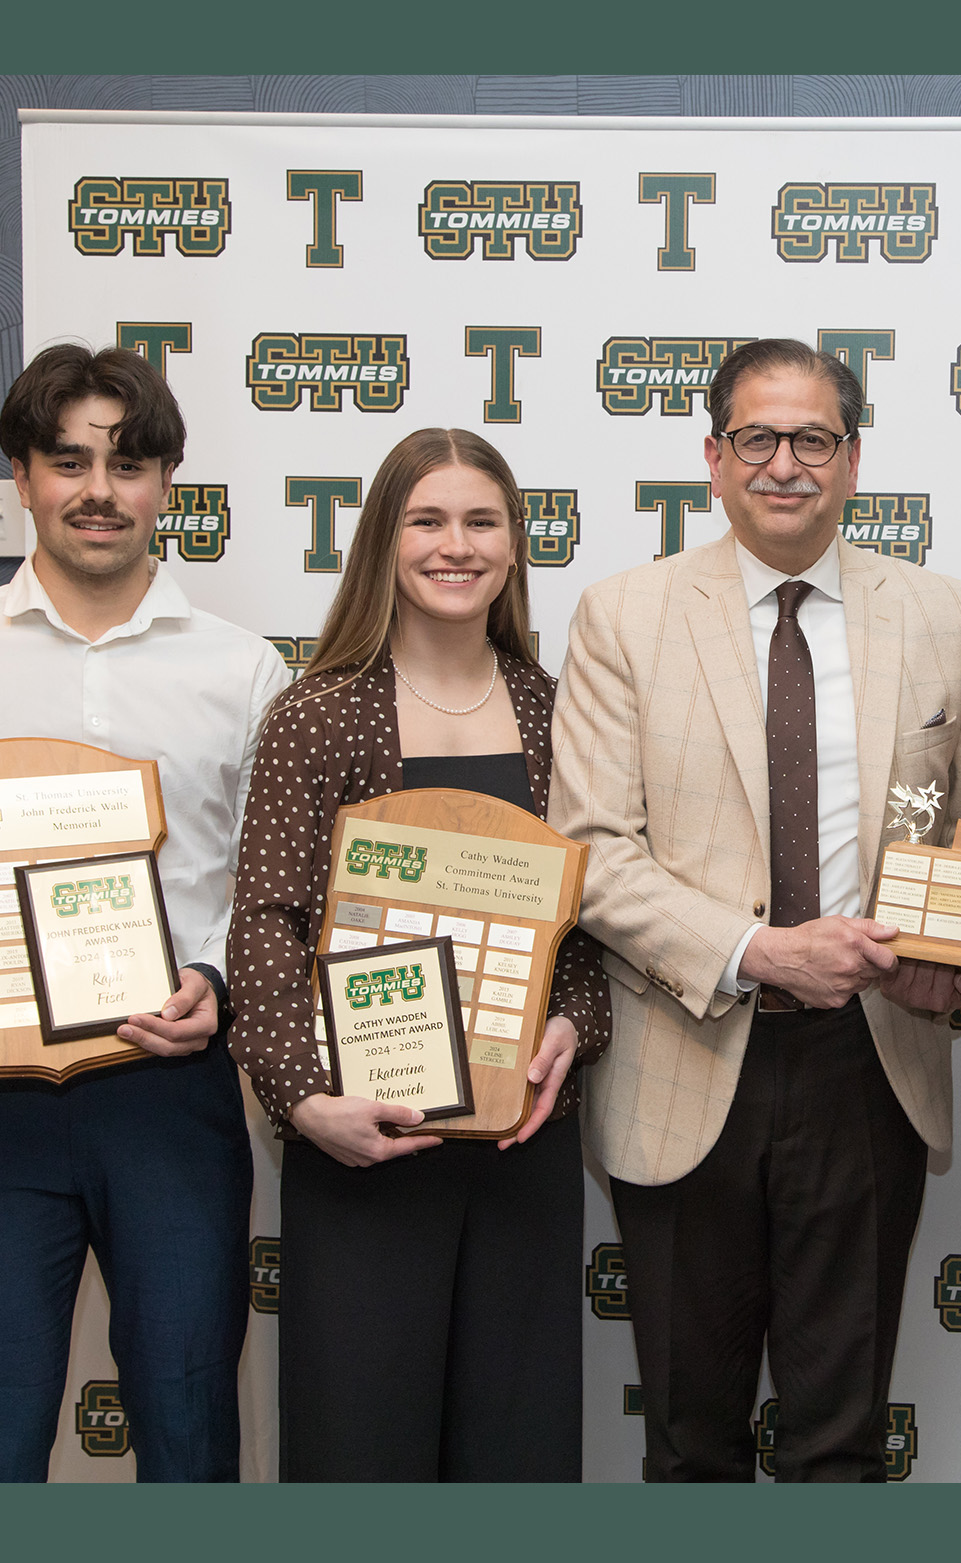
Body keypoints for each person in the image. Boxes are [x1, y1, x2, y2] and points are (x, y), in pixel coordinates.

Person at [549, 338, 961, 1481]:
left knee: (838, 1440)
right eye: (758, 438)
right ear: (713, 457)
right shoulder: (623, 616)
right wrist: (758, 951)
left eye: (813, 440)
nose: (784, 464)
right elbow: (593, 849)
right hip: (685, 1053)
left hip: (870, 1059)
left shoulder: (947, 618)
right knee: (690, 1443)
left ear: (852, 463)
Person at [227, 428, 609, 1482]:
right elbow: (265, 923)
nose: (456, 545)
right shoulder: (318, 713)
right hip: (359, 1150)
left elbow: (589, 925)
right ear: (383, 542)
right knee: (360, 1451)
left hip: (517, 1147)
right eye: (427, 520)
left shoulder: (559, 714)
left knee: (516, 1455)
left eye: (481, 520)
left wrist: (578, 1022)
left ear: (515, 543)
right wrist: (306, 1100)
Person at [0, 344, 291, 1481]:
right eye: (66, 460)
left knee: (183, 1424)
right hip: (1, 1093)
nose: (97, 492)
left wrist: (214, 984)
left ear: (169, 483)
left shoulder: (242, 670)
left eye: (127, 464)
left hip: (170, 1089)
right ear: (21, 477)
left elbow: (270, 885)